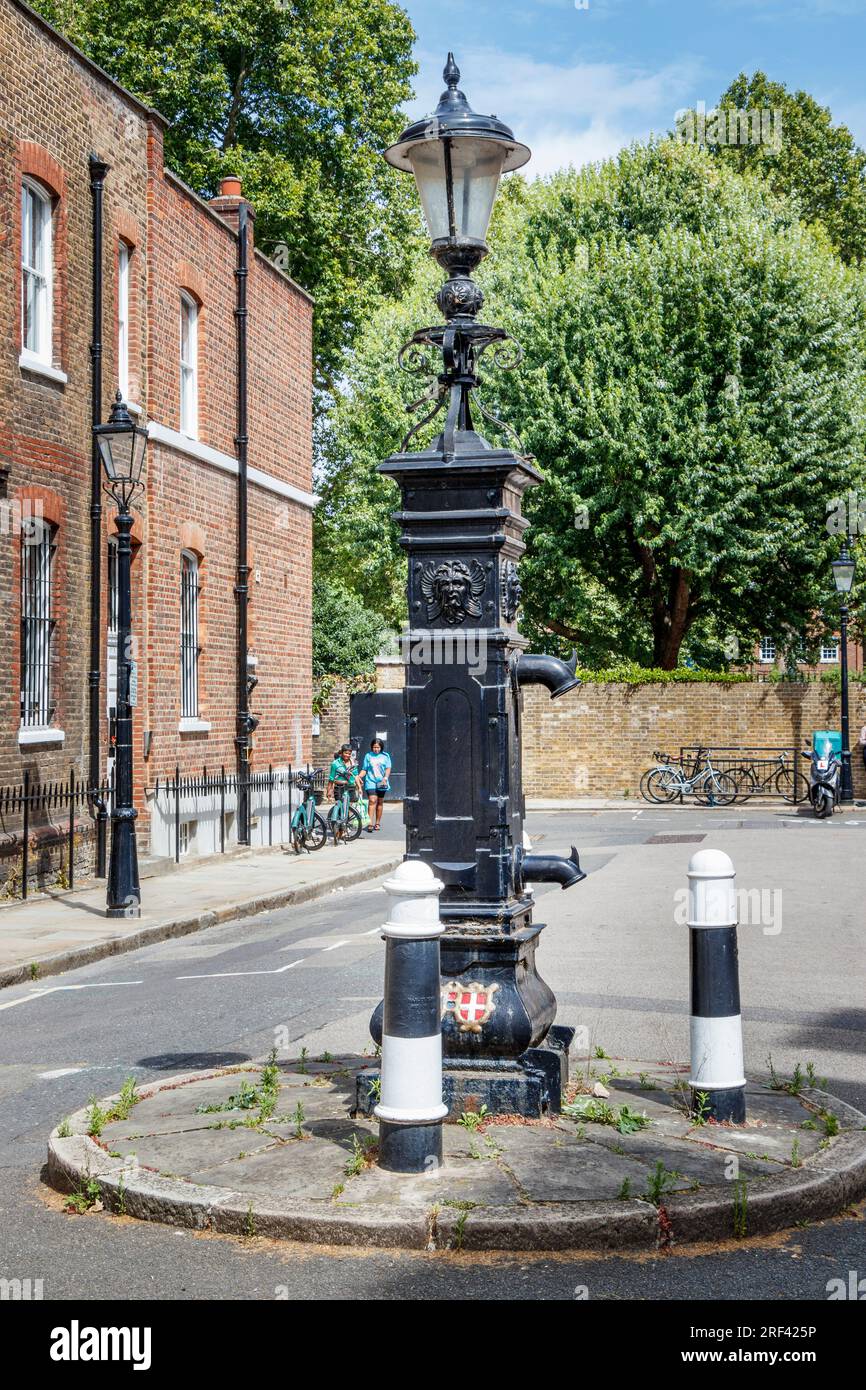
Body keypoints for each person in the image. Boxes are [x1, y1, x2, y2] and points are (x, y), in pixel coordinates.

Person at [360, 738, 391, 832]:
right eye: (374, 747)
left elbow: (388, 768)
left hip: (382, 781)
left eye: (378, 747)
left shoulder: (385, 756)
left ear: (381, 747)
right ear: (371, 747)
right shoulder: (368, 756)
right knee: (372, 800)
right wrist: (359, 776)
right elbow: (364, 769)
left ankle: (377, 823)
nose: (376, 749)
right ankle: (370, 823)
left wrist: (385, 778)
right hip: (371, 781)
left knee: (380, 802)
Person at [328, 744, 362, 808]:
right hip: (339, 787)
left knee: (350, 808)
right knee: (339, 806)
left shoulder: (353, 763)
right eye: (346, 753)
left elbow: (356, 776)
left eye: (349, 754)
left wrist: (359, 788)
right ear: (342, 752)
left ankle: (347, 817)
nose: (347, 755)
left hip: (351, 787)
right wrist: (329, 791)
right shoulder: (335, 763)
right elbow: (331, 778)